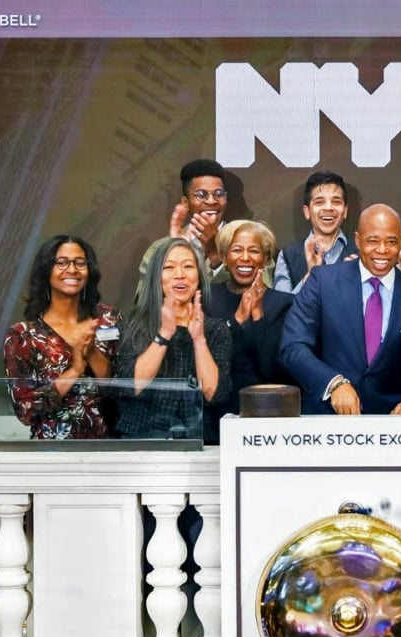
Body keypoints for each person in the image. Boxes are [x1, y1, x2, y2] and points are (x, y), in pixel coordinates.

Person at [280, 204, 401, 415]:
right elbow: (292, 347)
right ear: (357, 240)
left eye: (391, 242)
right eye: (372, 240)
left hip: (391, 428)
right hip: (326, 423)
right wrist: (334, 383)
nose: (382, 250)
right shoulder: (322, 282)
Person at [3, 235, 120, 439]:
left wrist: (91, 353)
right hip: (52, 453)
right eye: (62, 263)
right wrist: (75, 369)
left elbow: (120, 388)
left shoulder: (107, 319)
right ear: (46, 271)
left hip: (105, 447)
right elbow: (25, 411)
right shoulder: (22, 336)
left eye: (80, 263)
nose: (72, 270)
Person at [116, 238, 232, 441]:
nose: (180, 275)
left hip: (199, 439)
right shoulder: (137, 325)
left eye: (188, 266)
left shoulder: (215, 330)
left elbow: (213, 394)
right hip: (142, 437)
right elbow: (132, 385)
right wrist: (164, 334)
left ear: (199, 275)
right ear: (156, 276)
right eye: (169, 267)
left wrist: (199, 340)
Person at [205, 220, 295, 404]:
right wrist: (237, 319)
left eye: (254, 251)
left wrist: (258, 316)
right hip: (217, 409)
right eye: (236, 250)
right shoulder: (207, 298)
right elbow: (208, 360)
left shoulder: (283, 303)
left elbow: (272, 370)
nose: (245, 258)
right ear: (224, 257)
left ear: (265, 259)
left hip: (267, 411)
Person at [135, 159, 230, 301]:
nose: (211, 201)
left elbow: (260, 302)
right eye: (201, 195)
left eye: (218, 194)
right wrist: (175, 250)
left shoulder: (247, 243)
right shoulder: (159, 249)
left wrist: (215, 257)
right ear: (185, 203)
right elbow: (142, 306)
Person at [274, 171, 356, 293]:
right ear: (307, 212)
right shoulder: (288, 255)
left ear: (345, 211)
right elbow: (283, 309)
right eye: (319, 202)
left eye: (336, 202)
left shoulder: (360, 253)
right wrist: (310, 277)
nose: (328, 208)